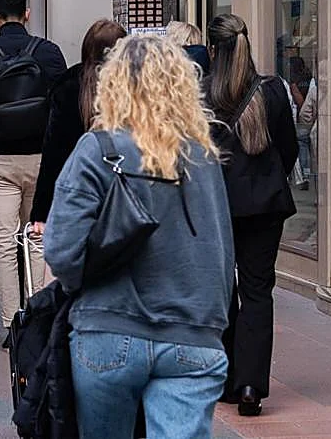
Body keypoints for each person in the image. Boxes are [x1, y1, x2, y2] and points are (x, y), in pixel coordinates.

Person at [44, 34, 234, 439]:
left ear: (112, 85)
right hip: (193, 336)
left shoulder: (98, 149)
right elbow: (220, 248)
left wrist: (81, 283)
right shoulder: (204, 156)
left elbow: (61, 250)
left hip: (109, 329)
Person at [206, 14, 297, 417]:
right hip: (265, 205)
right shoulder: (272, 91)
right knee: (258, 291)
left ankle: (225, 377)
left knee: (222, 292)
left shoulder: (204, 93)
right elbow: (288, 149)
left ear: (212, 49)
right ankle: (250, 385)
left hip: (218, 205)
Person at [0, 0, 66, 330]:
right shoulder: (49, 52)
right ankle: (39, 313)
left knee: (3, 243)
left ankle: (12, 322)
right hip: (42, 158)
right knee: (37, 237)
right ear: (27, 13)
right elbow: (63, 107)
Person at [32, 19, 126, 231]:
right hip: (124, 194)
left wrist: (42, 212)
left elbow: (53, 153)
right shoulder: (134, 88)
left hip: (77, 192)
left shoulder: (68, 86)